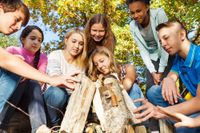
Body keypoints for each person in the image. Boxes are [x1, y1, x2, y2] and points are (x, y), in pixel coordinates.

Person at [133, 21, 200, 133]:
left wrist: (162, 111)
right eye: (160, 41)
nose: (163, 44)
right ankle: (175, 119)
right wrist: (168, 79)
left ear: (182, 35)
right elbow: (171, 76)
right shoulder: (179, 57)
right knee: (153, 91)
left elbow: (199, 101)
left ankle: (177, 121)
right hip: (194, 106)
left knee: (183, 128)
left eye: (166, 38)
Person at [0, 0, 78, 89]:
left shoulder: (42, 57)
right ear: (1, 8)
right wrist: (51, 79)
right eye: (17, 19)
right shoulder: (12, 50)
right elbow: (6, 60)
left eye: (21, 25)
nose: (18, 27)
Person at [0, 25, 47, 132]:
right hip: (10, 94)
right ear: (23, 39)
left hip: (29, 99)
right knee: (16, 77)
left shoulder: (42, 57)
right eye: (32, 38)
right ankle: (2, 125)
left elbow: (41, 79)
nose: (36, 42)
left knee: (33, 83)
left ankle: (39, 127)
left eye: (39, 40)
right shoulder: (12, 50)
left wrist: (27, 75)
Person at [44, 28, 87, 127]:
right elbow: (54, 77)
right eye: (74, 41)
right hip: (53, 98)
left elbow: (81, 85)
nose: (77, 46)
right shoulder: (55, 55)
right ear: (66, 40)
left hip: (72, 98)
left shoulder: (82, 64)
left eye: (81, 44)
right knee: (58, 93)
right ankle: (54, 125)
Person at [126, 0, 173, 90]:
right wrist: (153, 72)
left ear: (147, 7)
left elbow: (165, 42)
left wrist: (160, 71)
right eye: (132, 13)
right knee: (150, 90)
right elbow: (142, 50)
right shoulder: (132, 25)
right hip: (153, 56)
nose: (135, 16)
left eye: (138, 11)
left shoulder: (159, 14)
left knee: (165, 86)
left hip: (168, 52)